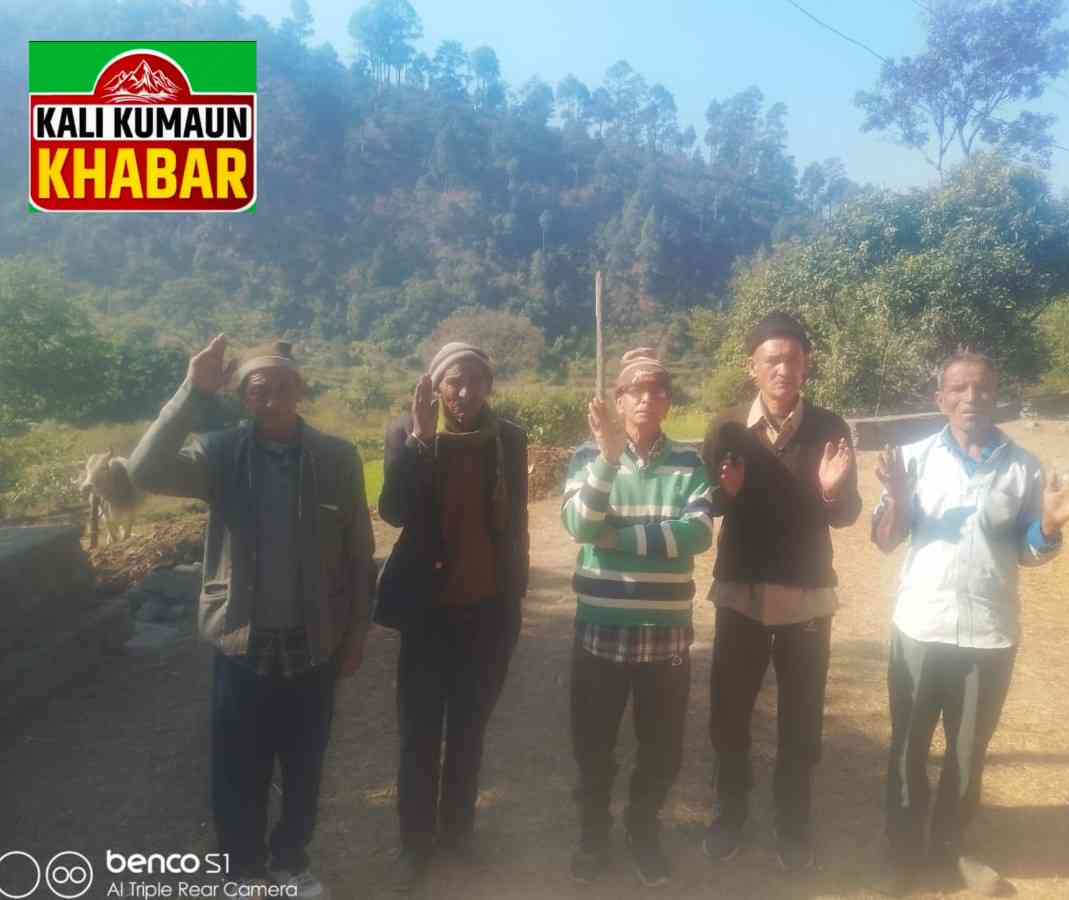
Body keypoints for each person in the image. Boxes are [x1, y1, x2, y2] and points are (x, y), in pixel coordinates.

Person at [127, 336, 375, 897]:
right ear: (243, 398)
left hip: (315, 639)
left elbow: (359, 550)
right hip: (241, 639)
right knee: (238, 766)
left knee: (304, 763)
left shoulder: (337, 457)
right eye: (259, 390)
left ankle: (290, 861)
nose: (272, 399)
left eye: (283, 387)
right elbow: (143, 471)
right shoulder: (219, 454)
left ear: (301, 391)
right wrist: (191, 393)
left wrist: (357, 633)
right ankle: (243, 871)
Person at [872, 350, 1069, 896]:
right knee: (907, 745)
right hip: (920, 626)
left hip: (989, 632)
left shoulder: (1023, 467)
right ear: (940, 399)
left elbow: (1027, 550)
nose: (970, 398)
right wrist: (899, 502)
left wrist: (1049, 525)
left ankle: (950, 848)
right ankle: (904, 851)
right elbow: (884, 541)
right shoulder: (913, 459)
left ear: (996, 396)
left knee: (967, 750)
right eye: (958, 388)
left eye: (981, 388)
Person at [700, 312, 861, 870]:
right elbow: (707, 506)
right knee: (729, 713)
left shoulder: (830, 428)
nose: (783, 369)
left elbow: (847, 513)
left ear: (806, 365)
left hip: (807, 595)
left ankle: (793, 821)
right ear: (753, 367)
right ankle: (729, 814)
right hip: (741, 592)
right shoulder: (726, 430)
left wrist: (832, 492)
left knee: (802, 716)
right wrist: (725, 494)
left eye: (793, 358)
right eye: (772, 359)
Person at [376, 342, 529, 892]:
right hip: (428, 613)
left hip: (487, 610)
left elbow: (516, 524)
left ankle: (458, 834)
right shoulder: (407, 433)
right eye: (454, 382)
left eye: (476, 381)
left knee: (468, 729)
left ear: (489, 385)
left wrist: (514, 599)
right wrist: (419, 443)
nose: (465, 392)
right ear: (436, 386)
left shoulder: (508, 438)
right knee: (419, 732)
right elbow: (394, 511)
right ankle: (414, 844)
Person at [561, 348, 714, 887]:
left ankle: (642, 830)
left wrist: (620, 539)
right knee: (594, 745)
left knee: (662, 748)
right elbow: (580, 526)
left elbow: (698, 533)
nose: (647, 398)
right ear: (619, 399)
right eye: (636, 390)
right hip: (600, 632)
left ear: (668, 401)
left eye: (658, 389)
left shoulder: (690, 463)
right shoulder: (586, 455)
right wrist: (607, 459)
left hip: (665, 637)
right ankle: (593, 837)